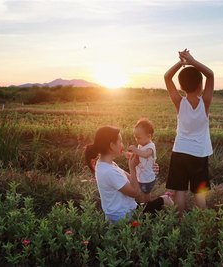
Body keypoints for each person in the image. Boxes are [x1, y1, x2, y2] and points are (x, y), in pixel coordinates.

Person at [84, 126, 173, 224]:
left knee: (160, 201)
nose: (122, 145)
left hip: (126, 210)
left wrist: (146, 170)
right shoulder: (108, 171)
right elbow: (136, 192)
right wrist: (132, 168)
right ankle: (176, 227)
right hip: (125, 217)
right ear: (112, 145)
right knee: (165, 200)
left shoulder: (106, 164)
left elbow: (133, 180)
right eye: (120, 141)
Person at [164, 49, 214, 216]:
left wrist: (181, 63)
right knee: (199, 193)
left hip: (179, 152)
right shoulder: (204, 103)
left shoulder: (179, 102)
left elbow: (166, 77)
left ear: (181, 87)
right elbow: (210, 75)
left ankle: (180, 223)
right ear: (201, 86)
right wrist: (191, 61)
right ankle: (200, 223)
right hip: (199, 154)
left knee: (180, 191)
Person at [128, 118, 157, 203]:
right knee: (141, 193)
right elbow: (139, 156)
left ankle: (148, 208)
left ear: (148, 136)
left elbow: (145, 155)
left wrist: (134, 149)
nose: (137, 140)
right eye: (135, 137)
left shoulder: (150, 147)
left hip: (148, 178)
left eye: (139, 138)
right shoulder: (141, 145)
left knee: (146, 195)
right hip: (141, 176)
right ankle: (144, 205)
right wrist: (131, 154)